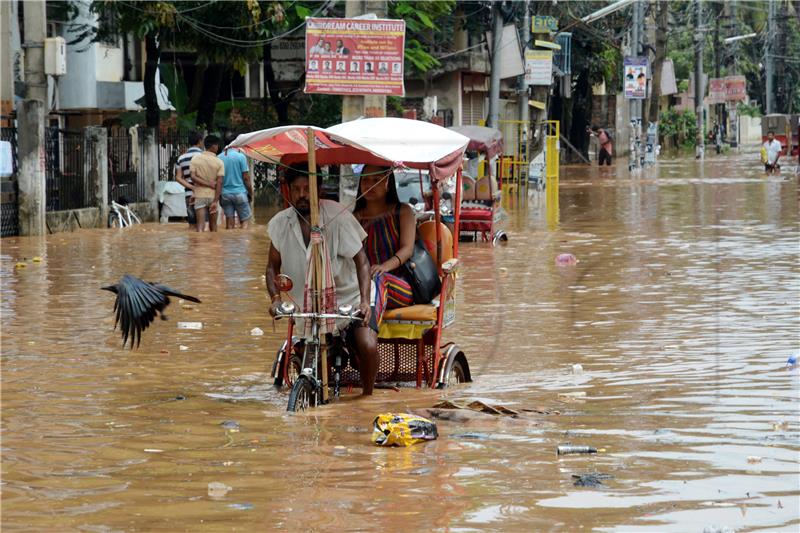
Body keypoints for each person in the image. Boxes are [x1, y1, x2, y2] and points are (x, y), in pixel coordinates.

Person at [267, 164, 378, 395]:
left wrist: (365, 301)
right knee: (312, 356)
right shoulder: (280, 223)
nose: (302, 195)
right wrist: (275, 299)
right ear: (288, 190)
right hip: (309, 303)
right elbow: (272, 267)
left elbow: (363, 262)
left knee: (367, 345)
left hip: (350, 297)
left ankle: (368, 396)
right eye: (296, 189)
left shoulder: (339, 217)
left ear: (319, 189)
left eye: (308, 189)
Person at [353, 165, 416, 323]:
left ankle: (369, 328)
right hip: (364, 284)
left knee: (381, 279)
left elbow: (408, 249)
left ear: (388, 183)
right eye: (365, 180)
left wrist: (385, 267)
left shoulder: (402, 211)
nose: (370, 185)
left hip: (400, 284)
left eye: (376, 180)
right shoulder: (354, 218)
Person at [189, 135, 224, 232]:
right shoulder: (219, 162)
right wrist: (215, 201)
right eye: (217, 145)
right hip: (213, 196)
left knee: (200, 226)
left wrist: (206, 184)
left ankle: (200, 246)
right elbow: (220, 183)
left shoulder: (195, 159)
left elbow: (193, 177)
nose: (218, 148)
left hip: (199, 195)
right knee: (213, 227)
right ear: (214, 146)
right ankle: (213, 246)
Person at [218, 132, 253, 229]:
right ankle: (242, 242)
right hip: (240, 193)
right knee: (245, 222)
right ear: (235, 142)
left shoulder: (219, 157)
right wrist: (251, 192)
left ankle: (230, 243)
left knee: (229, 224)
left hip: (225, 194)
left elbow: (218, 179)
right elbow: (246, 178)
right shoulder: (240, 157)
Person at [174, 130, 203, 229]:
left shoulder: (181, 158)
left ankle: (192, 244)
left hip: (188, 194)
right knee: (203, 226)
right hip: (203, 192)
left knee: (191, 225)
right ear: (200, 141)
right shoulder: (204, 156)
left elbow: (178, 178)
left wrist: (191, 187)